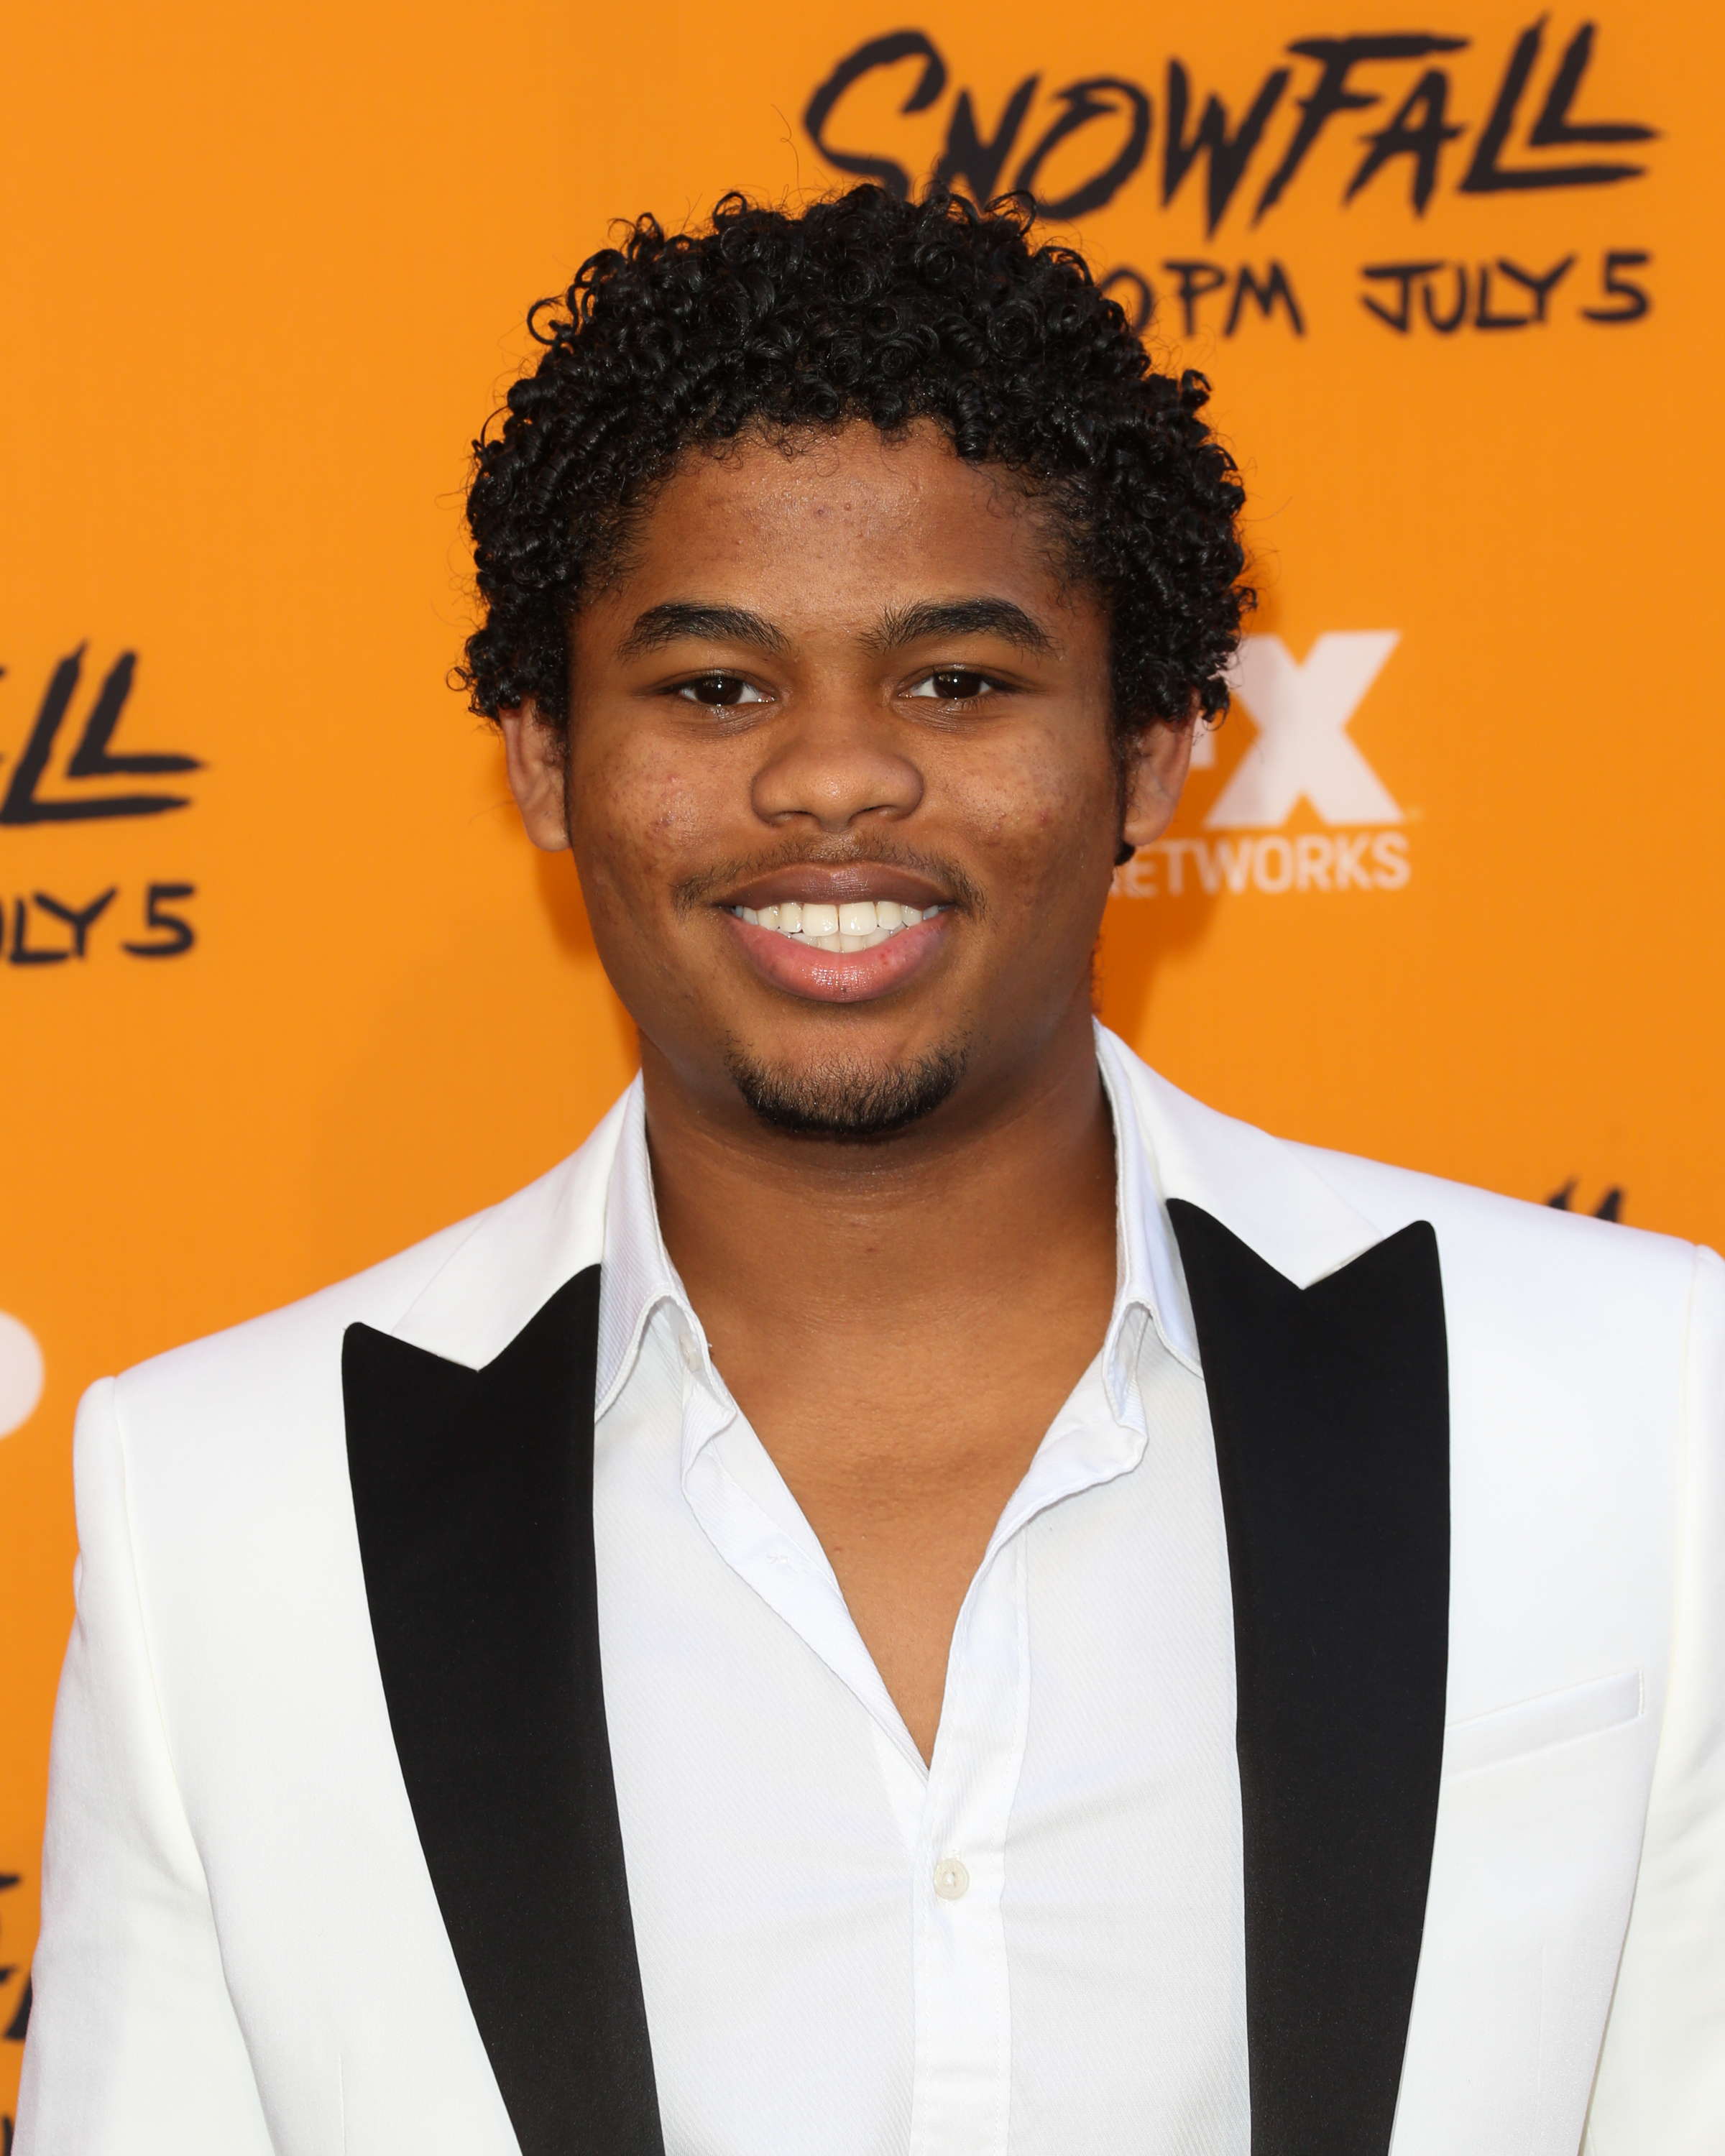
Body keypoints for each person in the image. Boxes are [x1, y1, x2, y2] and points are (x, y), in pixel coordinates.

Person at [17, 188, 1722, 2156]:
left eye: (958, 684)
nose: (834, 779)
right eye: (714, 688)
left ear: (1157, 748)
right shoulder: (224, 1505)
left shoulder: (1626, 1402)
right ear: (547, 761)